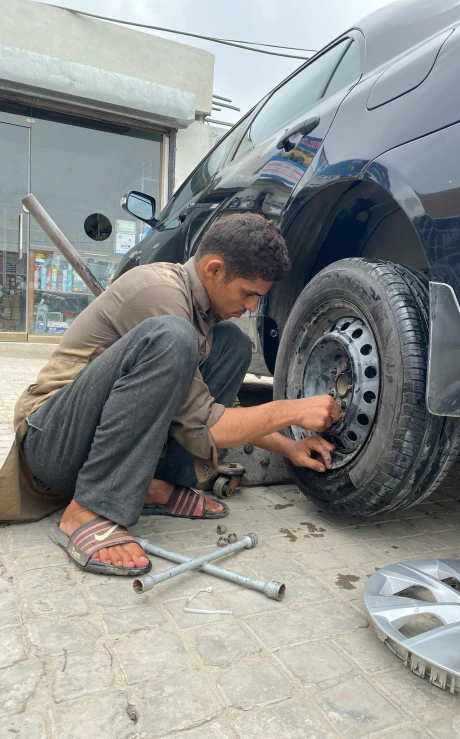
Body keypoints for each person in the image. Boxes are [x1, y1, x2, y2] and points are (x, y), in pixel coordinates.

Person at [0, 213, 340, 577]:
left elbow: (219, 411)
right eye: (249, 293)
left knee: (234, 345)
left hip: (89, 442)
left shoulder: (202, 314)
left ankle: (156, 486)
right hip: (51, 444)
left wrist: (289, 447)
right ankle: (88, 508)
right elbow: (210, 427)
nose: (254, 307)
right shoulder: (160, 293)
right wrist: (291, 410)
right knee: (173, 337)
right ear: (214, 269)